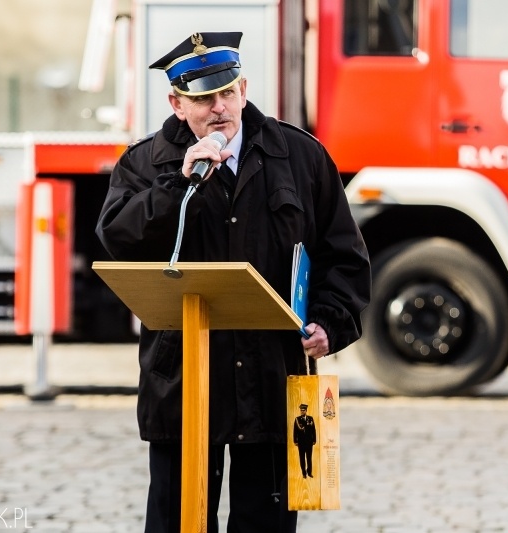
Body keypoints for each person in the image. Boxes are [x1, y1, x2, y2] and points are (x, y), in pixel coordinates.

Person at [95, 31, 371, 533]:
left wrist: (331, 321)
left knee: (263, 522)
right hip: (183, 379)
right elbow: (119, 240)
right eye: (203, 98)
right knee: (177, 522)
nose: (219, 108)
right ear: (178, 104)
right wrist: (179, 183)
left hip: (271, 376)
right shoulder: (146, 163)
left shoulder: (301, 156)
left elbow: (344, 256)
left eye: (227, 93)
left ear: (244, 89)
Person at [292, 404, 316, 479]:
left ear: (306, 411)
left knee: (309, 458)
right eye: (301, 410)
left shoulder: (310, 419)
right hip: (301, 442)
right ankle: (304, 473)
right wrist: (295, 440)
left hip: (309, 442)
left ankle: (309, 472)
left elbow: (313, 430)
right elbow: (295, 431)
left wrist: (314, 439)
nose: (302, 412)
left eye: (303, 410)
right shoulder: (297, 419)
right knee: (302, 458)